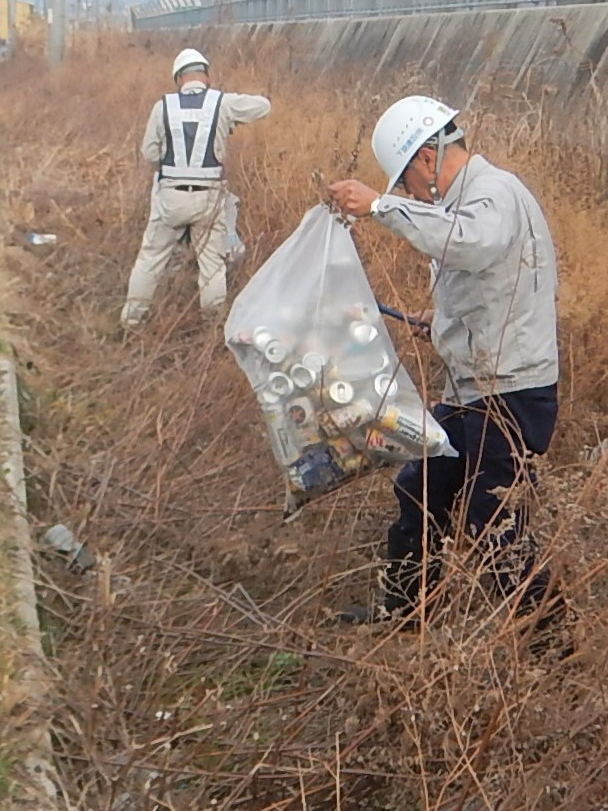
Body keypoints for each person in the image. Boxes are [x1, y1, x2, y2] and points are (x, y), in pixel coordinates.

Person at [326, 95, 559, 623]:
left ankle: (554, 650)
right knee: (420, 489)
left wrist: (381, 207)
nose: (407, 194)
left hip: (512, 393)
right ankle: (408, 616)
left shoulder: (494, 191)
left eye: (404, 182)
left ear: (425, 161)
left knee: (492, 523)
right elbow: (486, 276)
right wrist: (444, 323)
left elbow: (471, 245)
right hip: (474, 388)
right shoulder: (466, 201)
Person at [120, 48, 272, 330]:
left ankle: (132, 321)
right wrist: (229, 116)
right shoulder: (222, 103)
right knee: (212, 267)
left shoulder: (162, 106)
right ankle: (213, 328)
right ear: (207, 77)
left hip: (170, 197)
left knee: (150, 259)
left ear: (178, 79)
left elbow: (149, 152)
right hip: (209, 198)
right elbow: (263, 106)